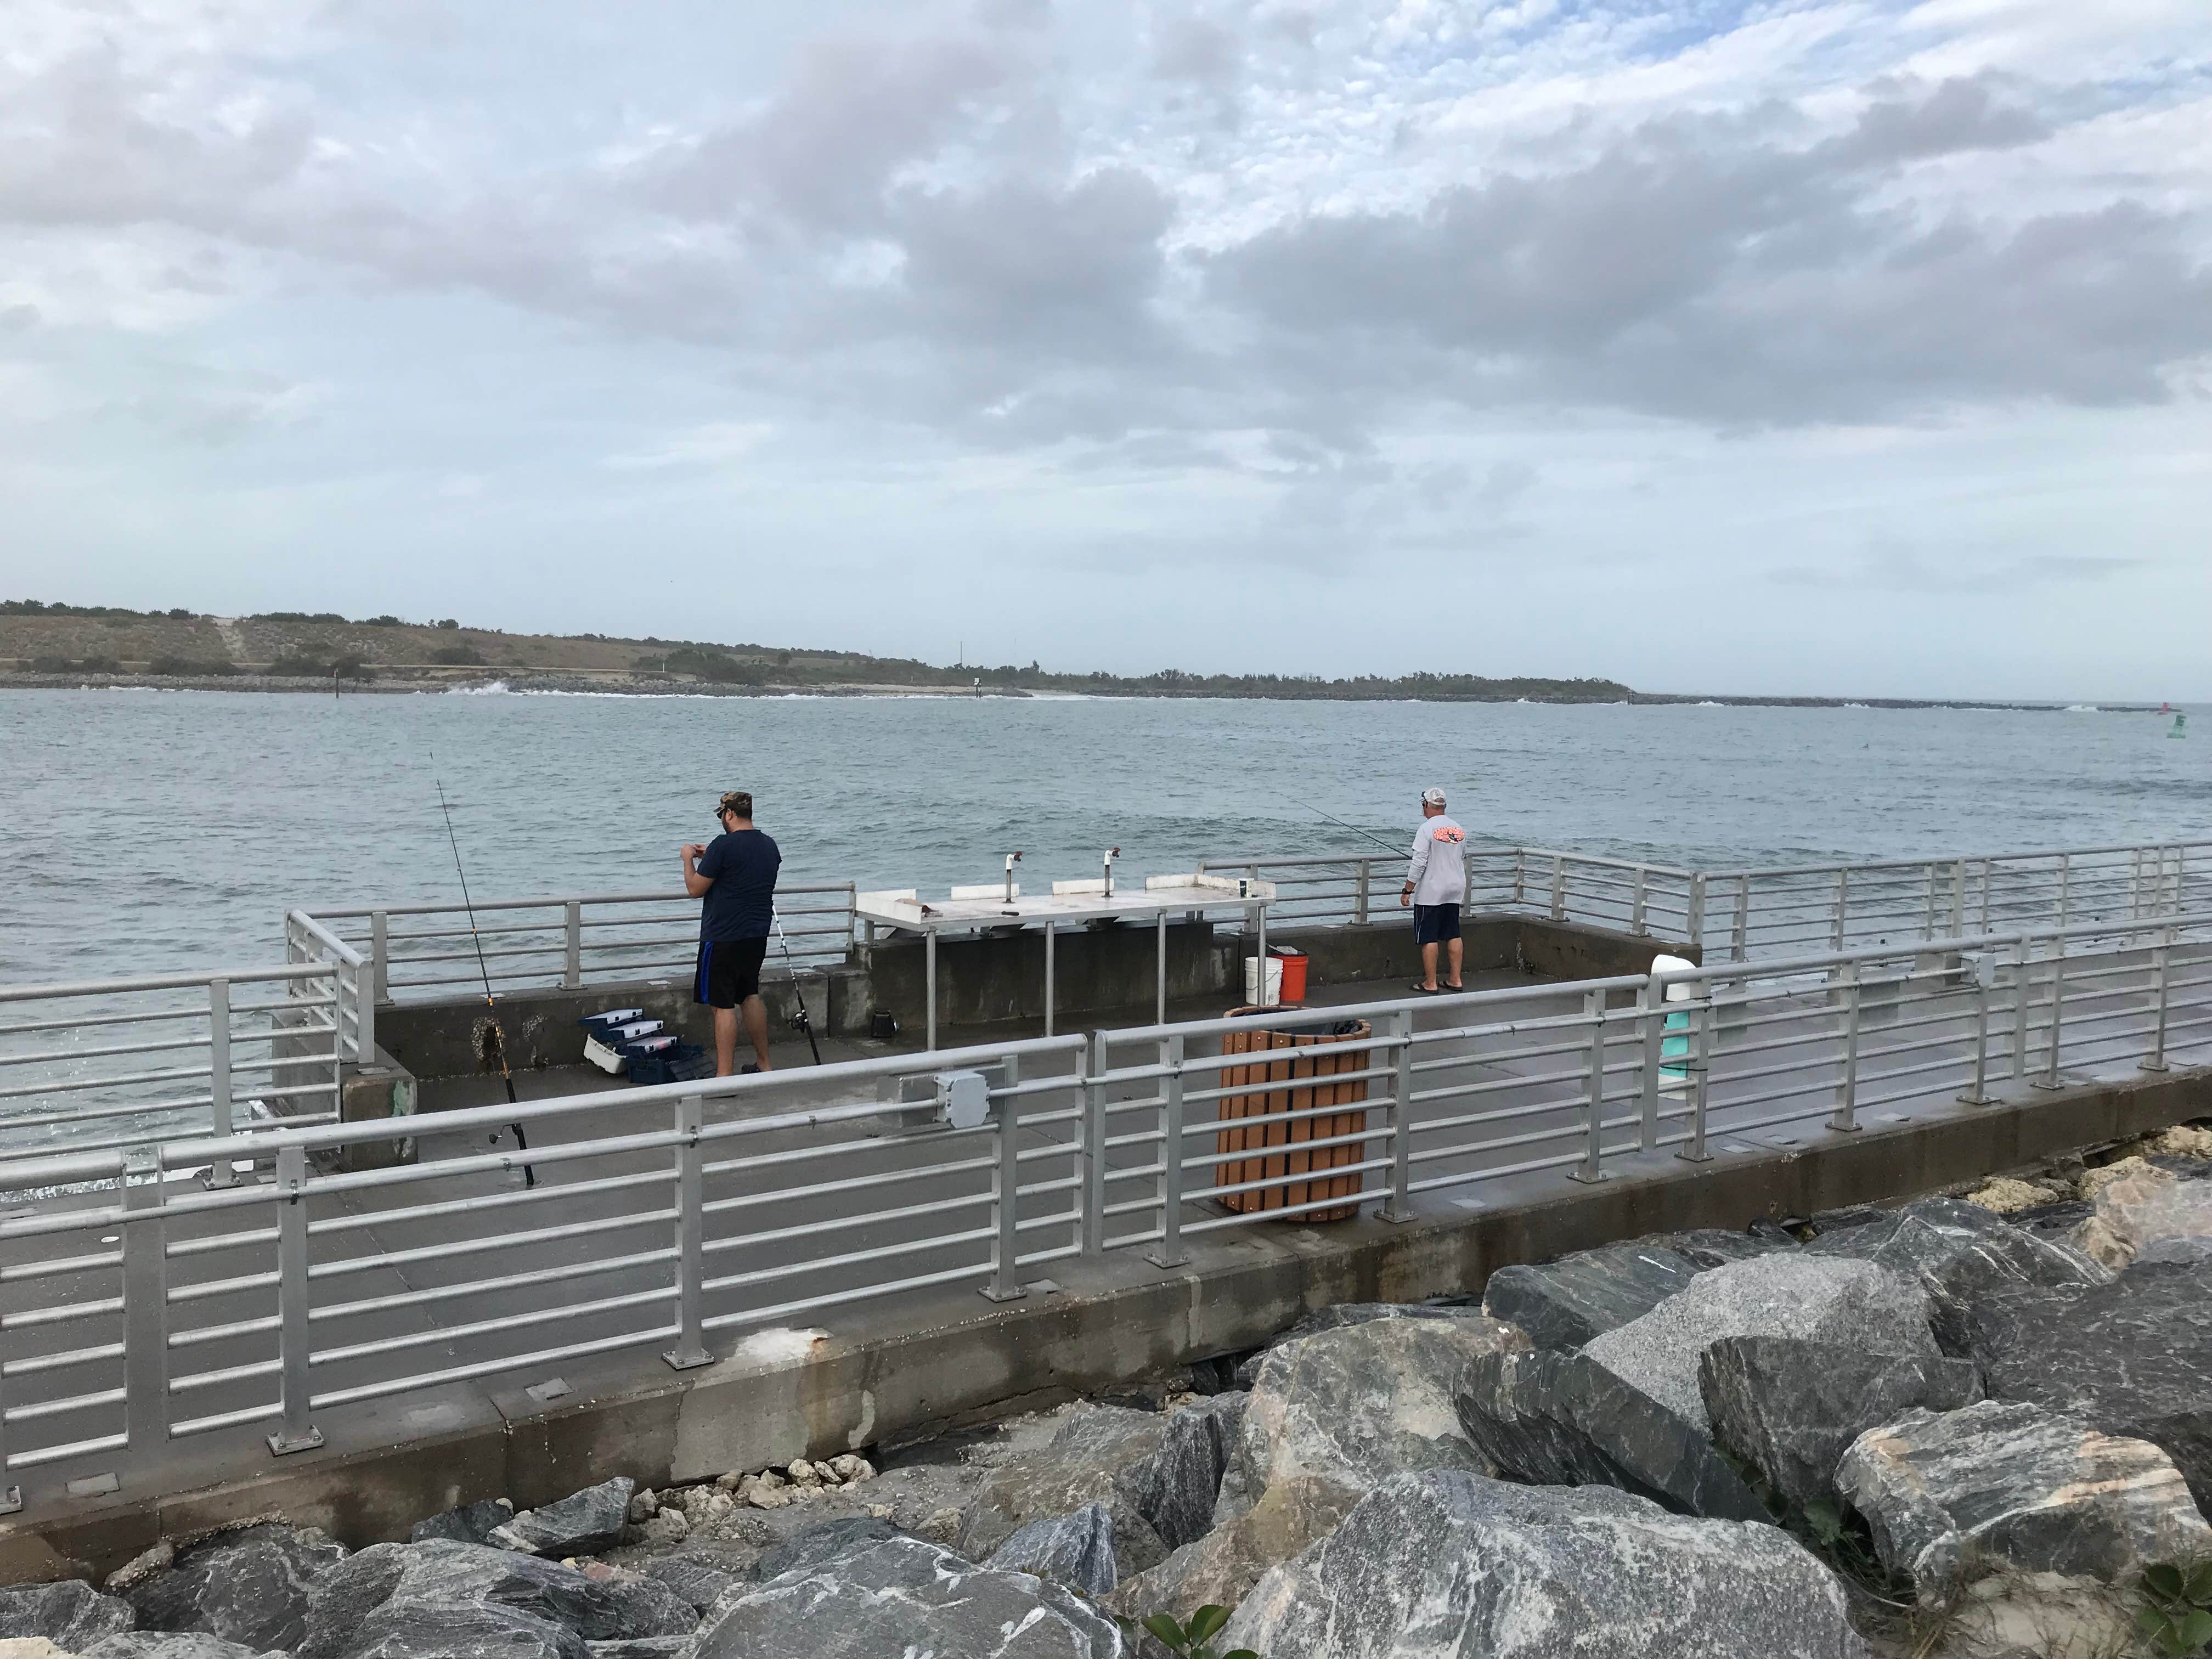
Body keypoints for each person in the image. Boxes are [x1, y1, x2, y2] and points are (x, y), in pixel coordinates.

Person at [682, 790, 782, 1075]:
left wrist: (688, 859)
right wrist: (711, 857)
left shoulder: (723, 846)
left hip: (722, 937)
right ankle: (764, 1064)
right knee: (749, 995)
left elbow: (695, 889)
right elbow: (742, 873)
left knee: (722, 1005)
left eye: (722, 815)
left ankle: (723, 1077)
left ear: (730, 814)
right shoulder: (769, 845)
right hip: (756, 935)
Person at [1400, 786, 1467, 993]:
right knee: (1453, 933)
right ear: (1444, 806)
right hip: (1456, 887)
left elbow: (1419, 863)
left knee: (1429, 937)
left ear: (1425, 805)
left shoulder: (1426, 829)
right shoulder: (1458, 828)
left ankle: (1431, 983)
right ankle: (1455, 980)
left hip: (1432, 890)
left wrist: (1407, 890)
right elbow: (1463, 855)